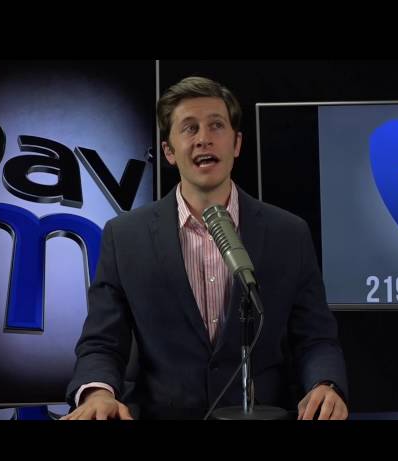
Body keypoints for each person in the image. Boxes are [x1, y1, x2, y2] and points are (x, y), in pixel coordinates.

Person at [61, 76, 348, 420]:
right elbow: (101, 342)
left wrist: (324, 384)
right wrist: (97, 393)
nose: (203, 139)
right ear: (169, 151)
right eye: (189, 128)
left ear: (236, 143)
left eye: (216, 126)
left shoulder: (288, 233)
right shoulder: (125, 237)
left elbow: (315, 338)